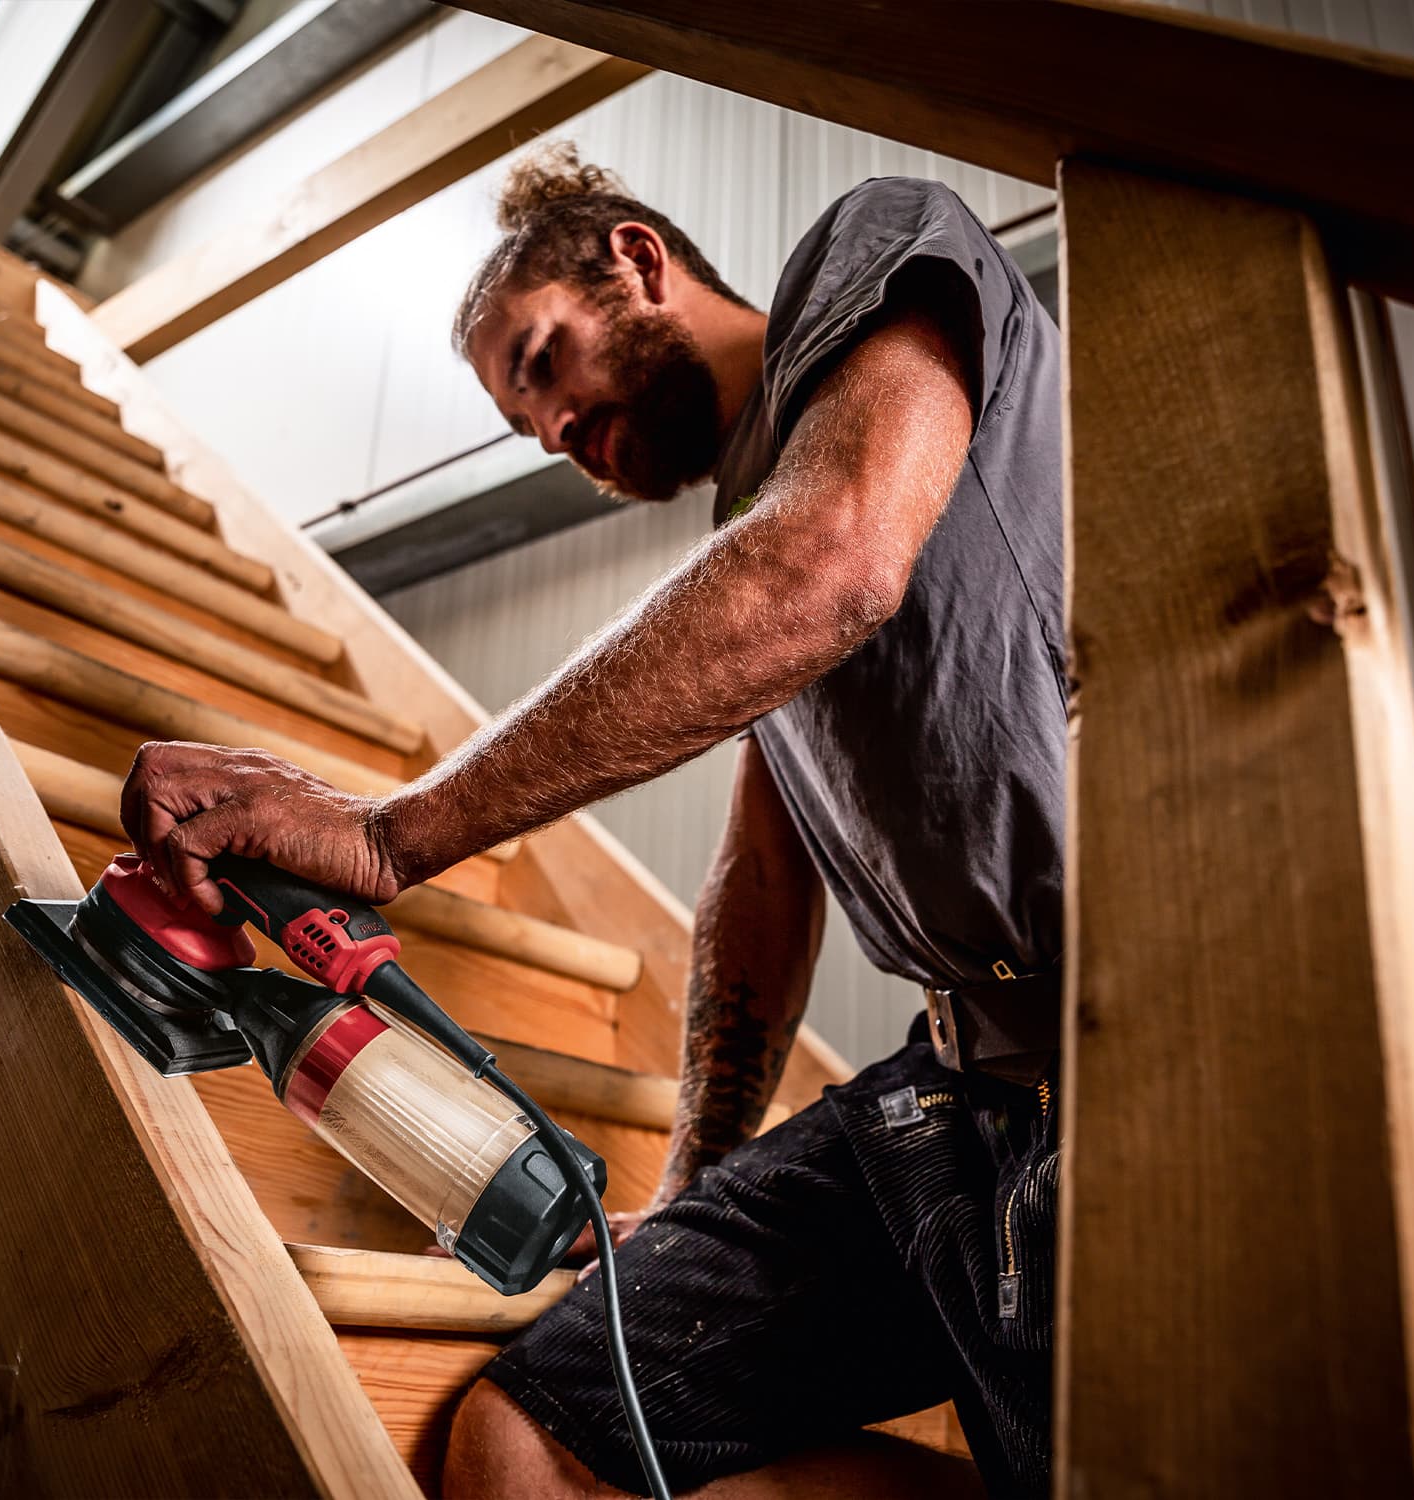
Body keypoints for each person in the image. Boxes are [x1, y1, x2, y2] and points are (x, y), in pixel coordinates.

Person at [119, 144, 1067, 1497]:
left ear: (636, 260)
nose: (557, 430)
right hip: (955, 1089)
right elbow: (764, 884)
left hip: (1133, 1056)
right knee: (530, 1436)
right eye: (531, 425)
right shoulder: (762, 527)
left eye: (545, 363)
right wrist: (693, 1184)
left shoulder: (878, 252)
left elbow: (832, 559)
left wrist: (394, 837)